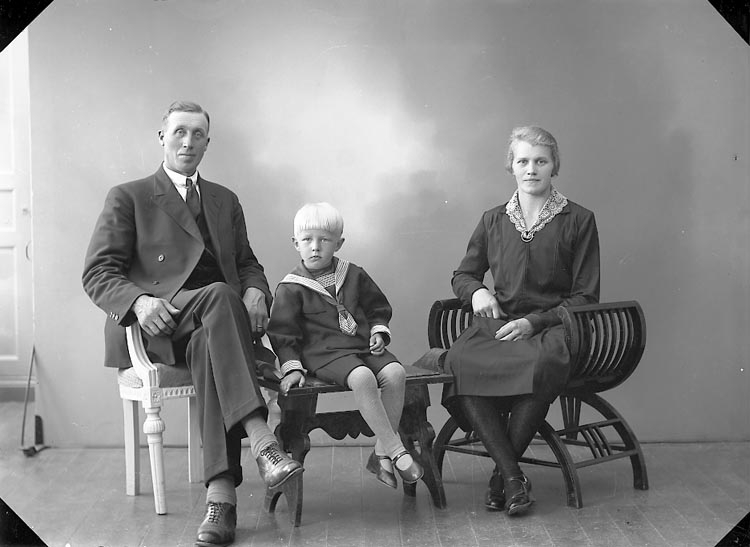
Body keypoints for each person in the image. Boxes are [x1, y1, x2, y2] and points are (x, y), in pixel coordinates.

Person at [82, 101, 302, 547]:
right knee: (219, 294)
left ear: (207, 143)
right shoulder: (129, 196)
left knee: (210, 336)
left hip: (214, 329)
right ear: (162, 137)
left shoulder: (224, 200)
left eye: (197, 134)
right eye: (179, 132)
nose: (188, 141)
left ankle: (221, 501)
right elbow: (97, 272)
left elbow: (247, 263)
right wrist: (139, 301)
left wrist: (256, 290)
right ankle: (262, 440)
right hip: (158, 326)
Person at [442, 126, 600, 516]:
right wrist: (477, 293)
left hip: (555, 326)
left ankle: (504, 478)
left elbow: (586, 295)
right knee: (460, 361)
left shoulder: (579, 219)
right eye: (523, 161)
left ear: (554, 166)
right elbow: (464, 274)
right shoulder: (493, 220)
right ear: (511, 166)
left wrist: (535, 322)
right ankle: (513, 477)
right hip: (501, 326)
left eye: (541, 161)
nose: (531, 169)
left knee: (540, 365)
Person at [266, 202, 423, 489]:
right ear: (296, 244)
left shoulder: (353, 274)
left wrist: (378, 332)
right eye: (307, 240)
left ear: (339, 243)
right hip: (324, 354)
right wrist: (292, 368)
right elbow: (283, 333)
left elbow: (377, 307)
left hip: (360, 345)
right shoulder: (290, 287)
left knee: (396, 373)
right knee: (362, 377)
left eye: (324, 240)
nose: (315, 247)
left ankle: (380, 452)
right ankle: (397, 451)